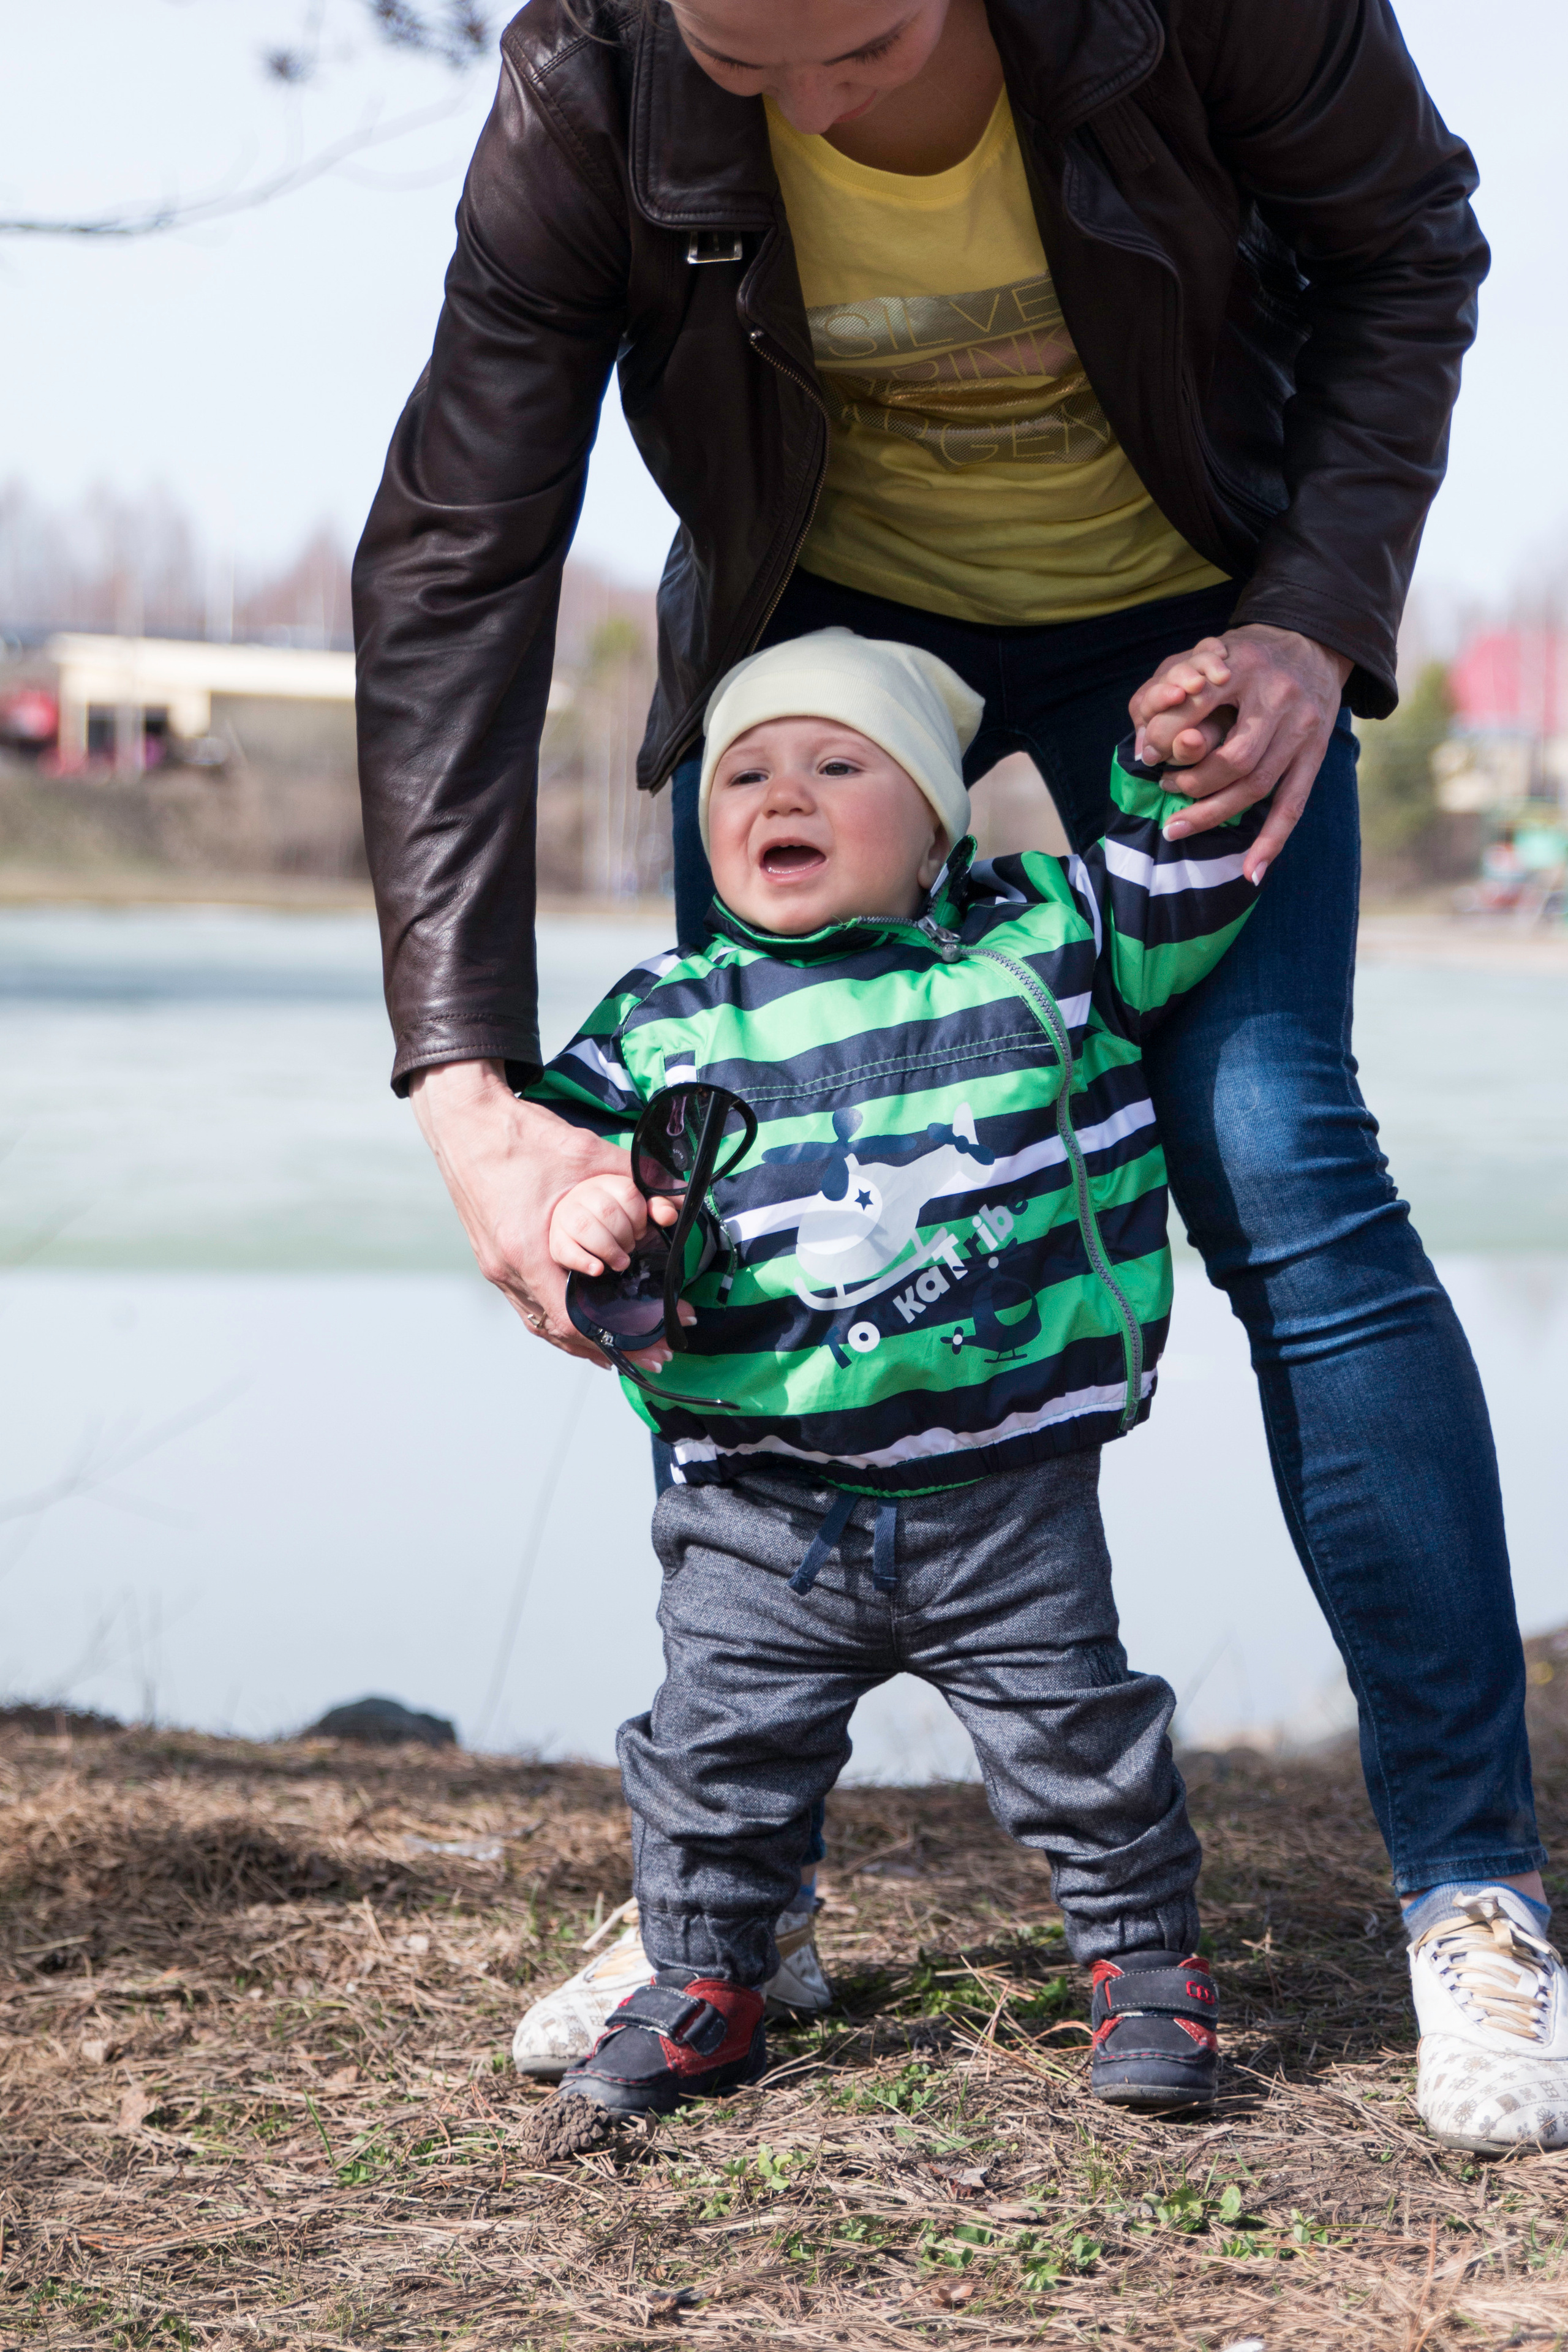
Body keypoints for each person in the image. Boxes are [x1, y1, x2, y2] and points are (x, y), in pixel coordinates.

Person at [354, 0, 1564, 2150]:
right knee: (732, 1218)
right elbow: (461, 547)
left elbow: (1409, 244)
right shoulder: (593, 77)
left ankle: (1474, 1889)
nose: (815, 106)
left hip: (1186, 625)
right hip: (824, 649)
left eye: (870, 40)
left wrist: (1313, 617)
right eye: (751, 60)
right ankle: (725, 1905)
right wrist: (463, 1076)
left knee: (1285, 1158)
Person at [527, 628, 1272, 2117]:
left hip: (1007, 1492)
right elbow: (558, 1155)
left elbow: (1176, 889)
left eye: (835, 763)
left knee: (1080, 1744)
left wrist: (1164, 766)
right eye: (741, 771)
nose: (777, 792)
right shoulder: (668, 1013)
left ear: (935, 818)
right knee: (713, 1758)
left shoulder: (1042, 943)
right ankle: (704, 1984)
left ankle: (1142, 1971)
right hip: (758, 1502)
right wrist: (583, 1202)